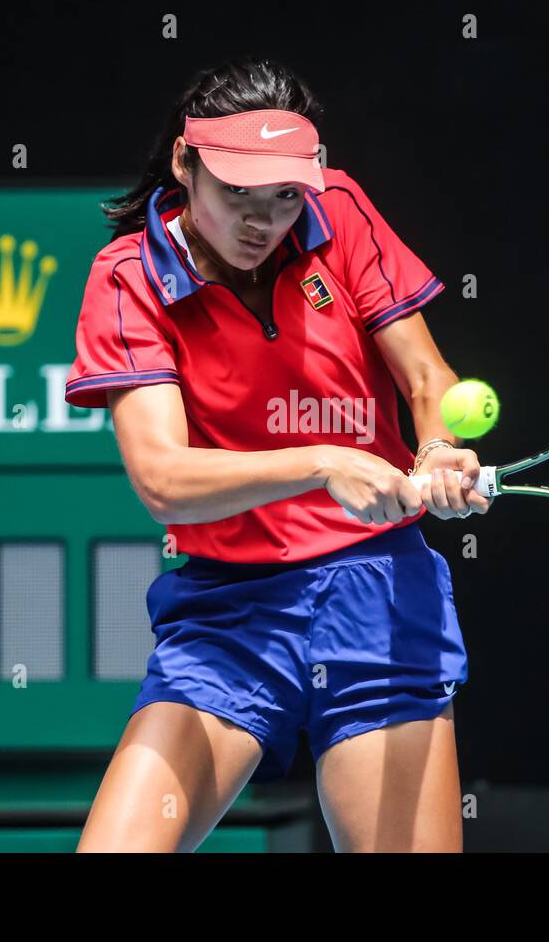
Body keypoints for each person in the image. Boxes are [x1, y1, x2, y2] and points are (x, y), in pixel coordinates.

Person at [67, 57, 491, 852]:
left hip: (378, 601)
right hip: (231, 616)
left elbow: (429, 376)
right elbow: (164, 481)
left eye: (286, 197)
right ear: (185, 165)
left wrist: (436, 449)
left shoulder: (343, 213)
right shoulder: (128, 280)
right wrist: (322, 461)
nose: (263, 223)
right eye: (237, 195)